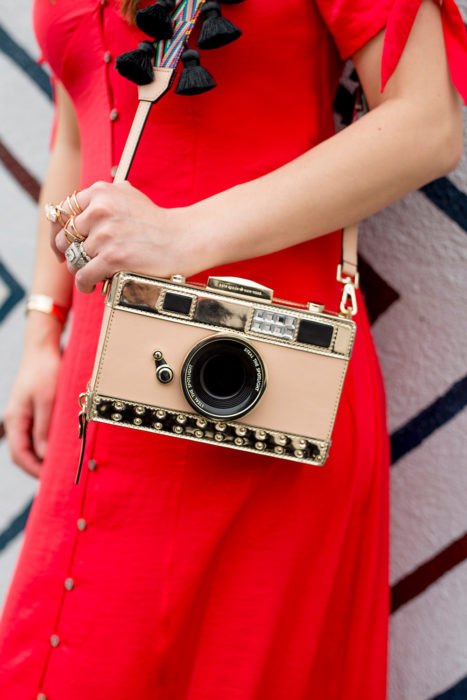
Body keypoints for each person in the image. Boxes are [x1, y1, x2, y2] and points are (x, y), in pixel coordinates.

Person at [0, 0, 466, 697]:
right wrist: (45, 327)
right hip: (101, 383)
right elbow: (78, 126)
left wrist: (183, 236)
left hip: (260, 387)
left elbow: (427, 122)